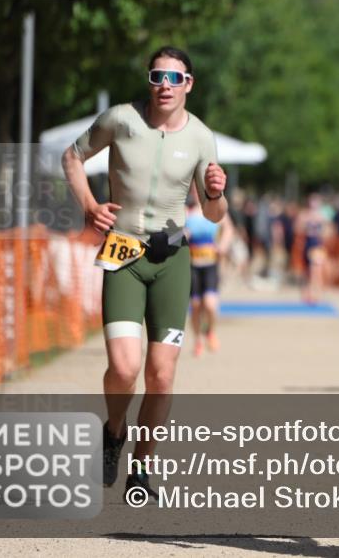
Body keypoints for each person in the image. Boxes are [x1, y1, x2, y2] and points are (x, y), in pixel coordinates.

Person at [62, 46, 227, 504]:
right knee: (124, 368)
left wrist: (216, 194)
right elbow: (72, 158)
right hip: (123, 254)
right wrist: (91, 207)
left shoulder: (201, 138)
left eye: (175, 78)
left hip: (172, 260)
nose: (165, 86)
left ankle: (142, 467)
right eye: (158, 76)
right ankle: (113, 430)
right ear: (149, 80)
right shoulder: (120, 119)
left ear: (189, 84)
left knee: (161, 376)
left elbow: (214, 214)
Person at [185, 187, 236, 357]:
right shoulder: (187, 210)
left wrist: (223, 246)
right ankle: (198, 339)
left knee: (210, 304)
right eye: (193, 189)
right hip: (192, 264)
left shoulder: (214, 209)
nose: (196, 192)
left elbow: (229, 229)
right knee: (196, 305)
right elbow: (174, 232)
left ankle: (210, 332)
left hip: (211, 264)